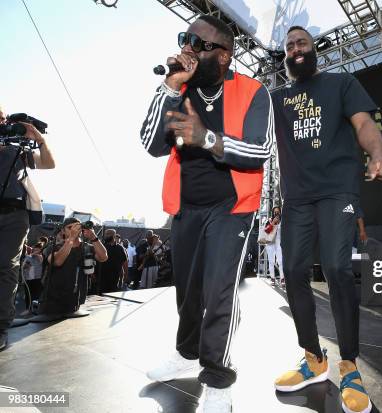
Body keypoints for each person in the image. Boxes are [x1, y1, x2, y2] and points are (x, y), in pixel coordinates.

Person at [140, 14, 273, 412]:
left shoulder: (253, 91)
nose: (188, 48)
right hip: (187, 206)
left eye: (199, 44)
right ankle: (185, 352)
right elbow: (151, 143)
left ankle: (217, 376)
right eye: (185, 39)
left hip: (231, 207)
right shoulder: (179, 89)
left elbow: (260, 150)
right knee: (188, 290)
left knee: (218, 292)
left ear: (225, 56)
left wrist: (208, 137)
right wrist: (168, 86)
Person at [271, 26, 382, 413]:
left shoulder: (341, 83)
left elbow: (363, 124)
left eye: (302, 43)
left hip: (337, 189)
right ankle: (313, 358)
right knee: (292, 270)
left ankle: (349, 365)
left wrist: (377, 153)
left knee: (337, 268)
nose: (296, 48)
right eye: (290, 45)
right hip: (296, 196)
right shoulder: (277, 98)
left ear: (313, 50)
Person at [0, 103, 55, 351]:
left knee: (6, 266)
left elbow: (48, 163)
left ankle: (1, 325)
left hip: (15, 214)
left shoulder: (18, 150)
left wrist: (39, 139)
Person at [38, 218, 108, 317]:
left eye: (77, 227)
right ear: (62, 230)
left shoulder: (87, 248)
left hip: (75, 302)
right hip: (52, 302)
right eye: (70, 227)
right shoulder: (54, 247)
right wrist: (70, 239)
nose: (74, 230)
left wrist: (94, 237)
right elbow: (57, 261)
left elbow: (103, 257)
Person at [98, 229, 128, 293]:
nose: (106, 236)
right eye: (105, 234)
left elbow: (124, 263)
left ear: (114, 236)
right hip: (101, 278)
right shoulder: (101, 246)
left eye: (108, 234)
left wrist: (124, 278)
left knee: (112, 296)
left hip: (114, 279)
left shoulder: (120, 248)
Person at [264, 206, 285, 287]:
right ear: (272, 212)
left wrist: (279, 222)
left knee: (280, 261)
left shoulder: (283, 221)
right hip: (270, 243)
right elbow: (266, 231)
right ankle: (272, 278)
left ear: (280, 212)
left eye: (278, 211)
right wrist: (273, 222)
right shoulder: (269, 220)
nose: (276, 213)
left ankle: (282, 279)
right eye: (275, 212)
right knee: (271, 261)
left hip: (279, 243)